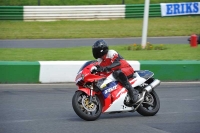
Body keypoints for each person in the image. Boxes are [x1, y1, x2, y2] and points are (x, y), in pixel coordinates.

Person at [92, 39, 139, 104]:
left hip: (126, 69)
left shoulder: (111, 53)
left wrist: (106, 68)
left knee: (117, 73)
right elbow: (99, 69)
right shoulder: (99, 60)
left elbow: (117, 63)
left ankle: (133, 92)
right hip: (115, 75)